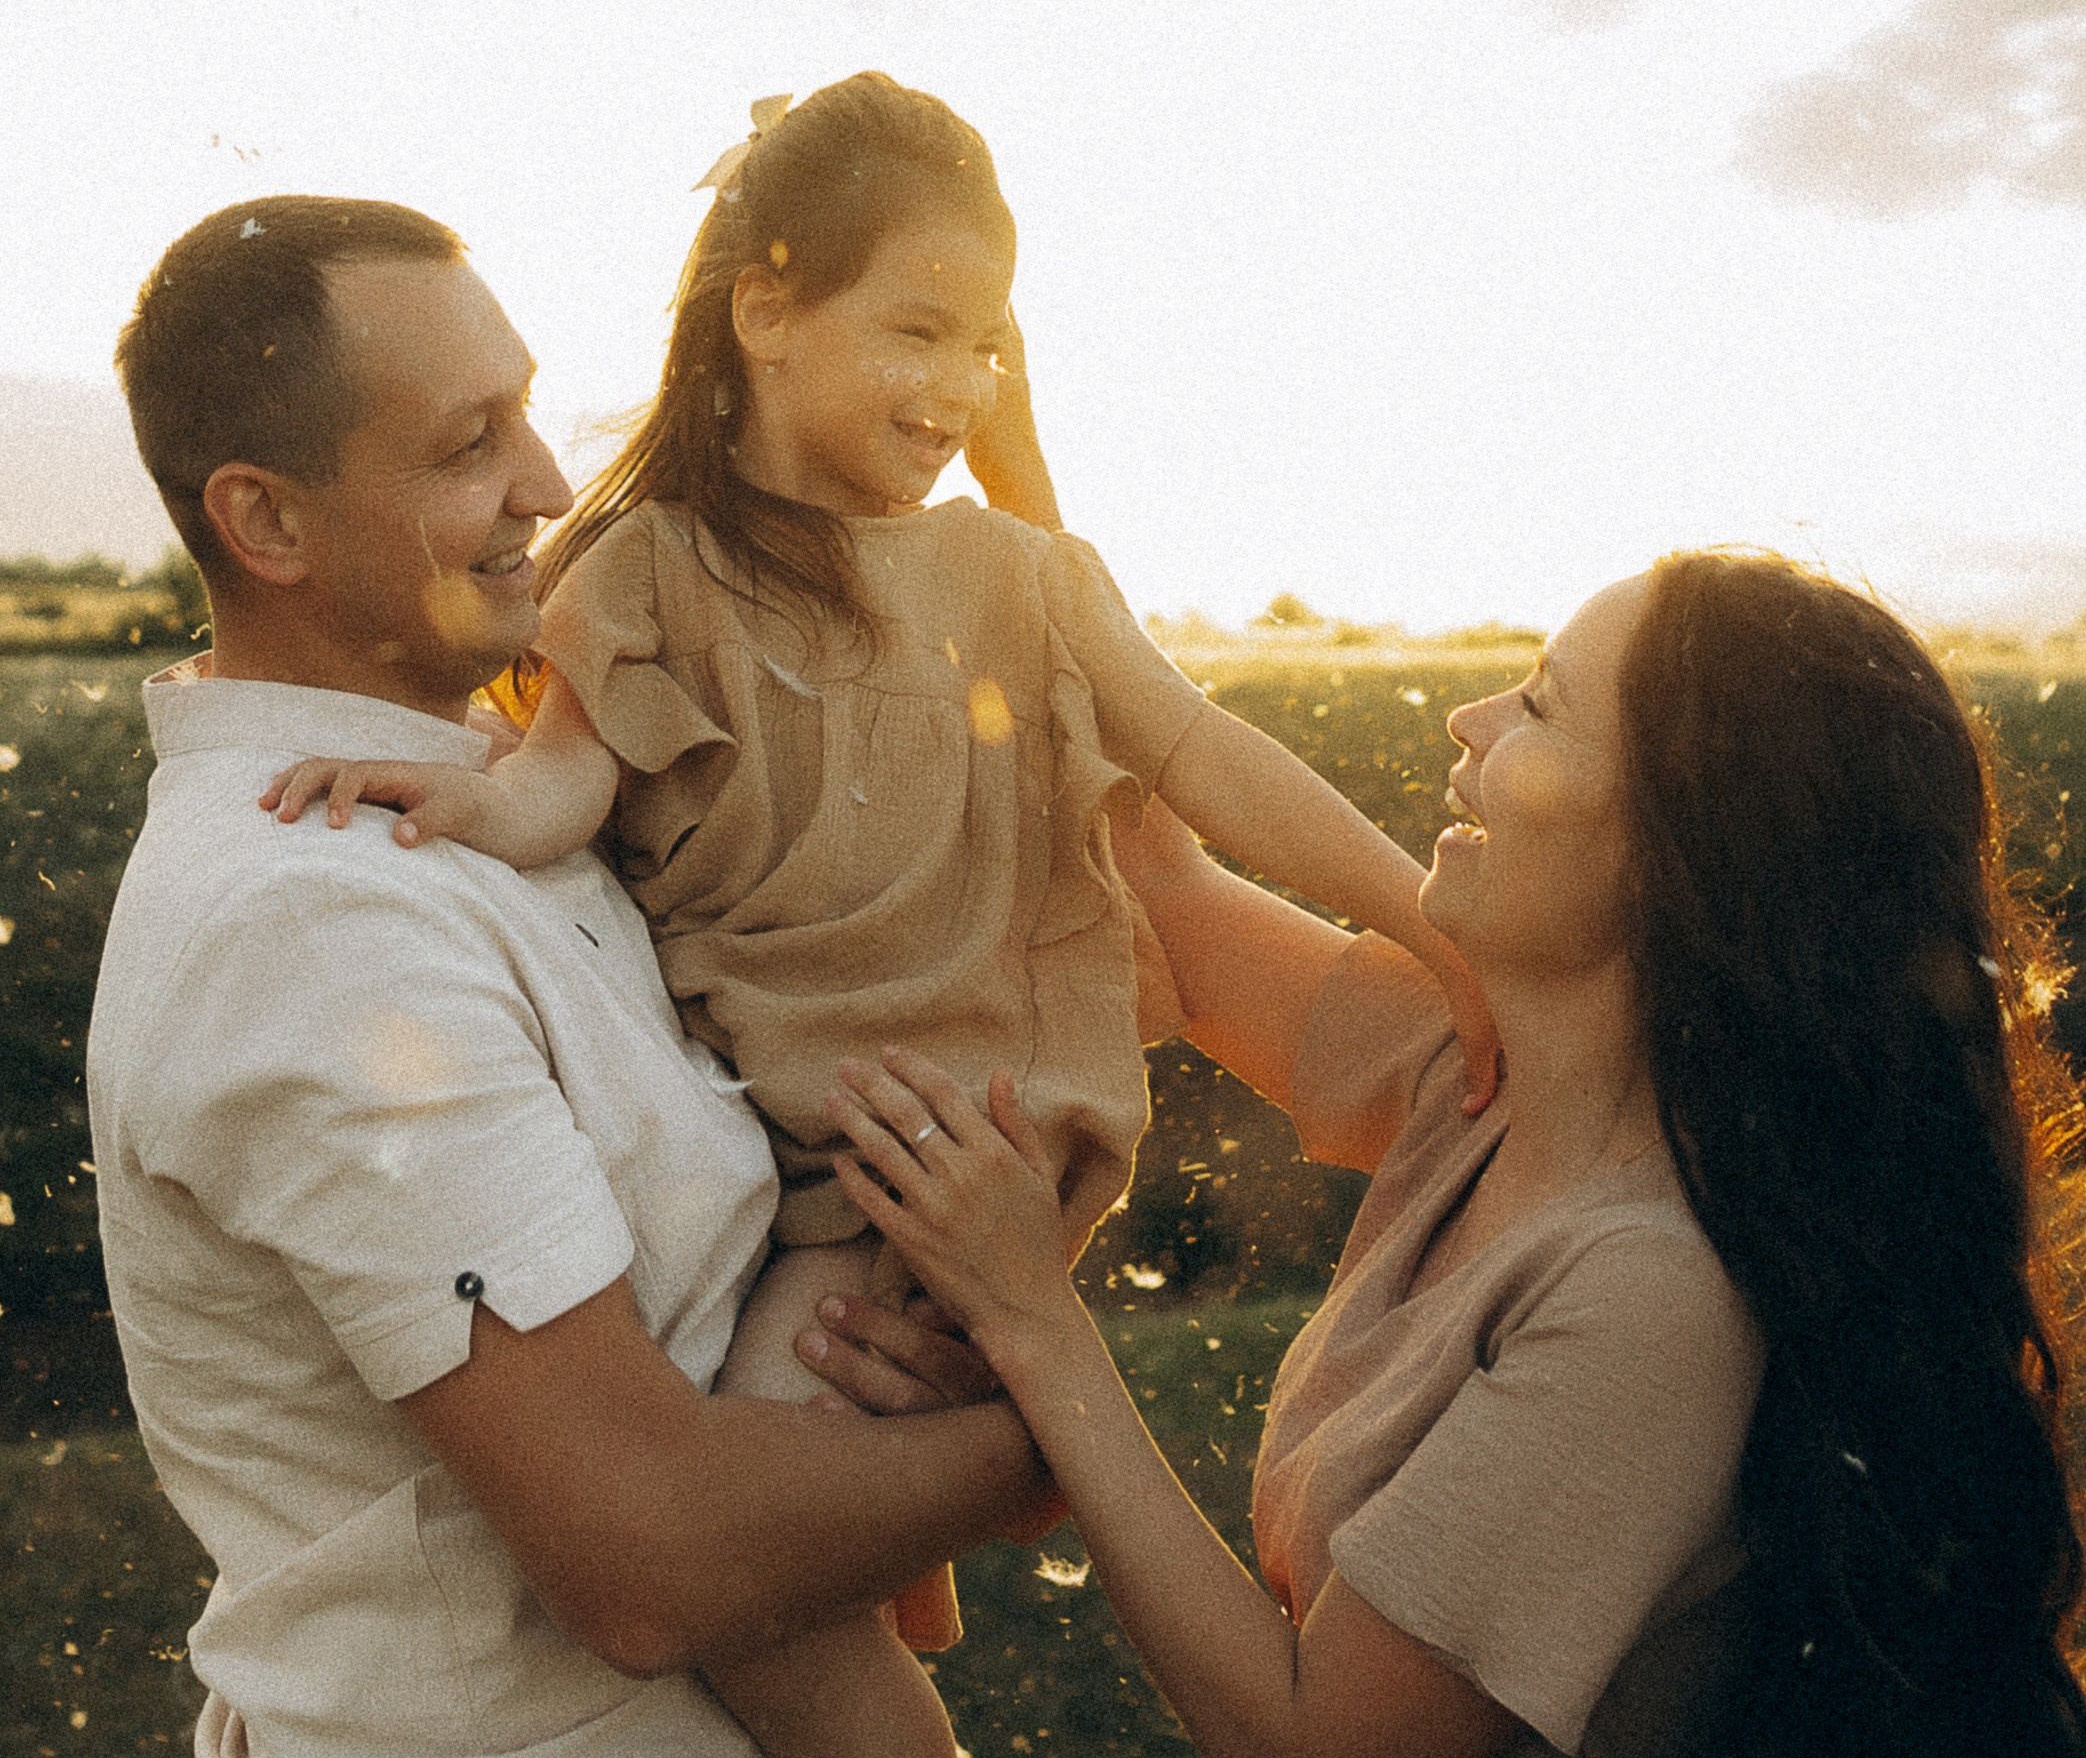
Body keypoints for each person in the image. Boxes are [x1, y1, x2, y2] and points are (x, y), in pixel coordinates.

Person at [258, 72, 1498, 1754]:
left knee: (745, 1589)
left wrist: (1428, 923)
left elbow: (1211, 760)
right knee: (776, 1567)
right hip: (804, 1155)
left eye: (988, 346)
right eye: (919, 329)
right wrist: (448, 798)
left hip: (933, 1148)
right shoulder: (645, 570)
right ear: (765, 311)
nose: (960, 385)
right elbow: (561, 782)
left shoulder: (1023, 579)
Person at [815, 553, 2086, 1758]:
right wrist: (1007, 480)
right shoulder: (1478, 1076)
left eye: (1537, 705)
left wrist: (1034, 1327)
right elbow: (1163, 888)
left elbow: (1314, 1741)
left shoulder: (1653, 1296)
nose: (1466, 719)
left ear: (1679, 849)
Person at [89, 196, 1055, 1758]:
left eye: (526, 410)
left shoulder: (490, 783)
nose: (544, 483)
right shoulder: (310, 918)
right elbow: (654, 1556)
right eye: (467, 444)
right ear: (266, 524)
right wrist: (1042, 1427)